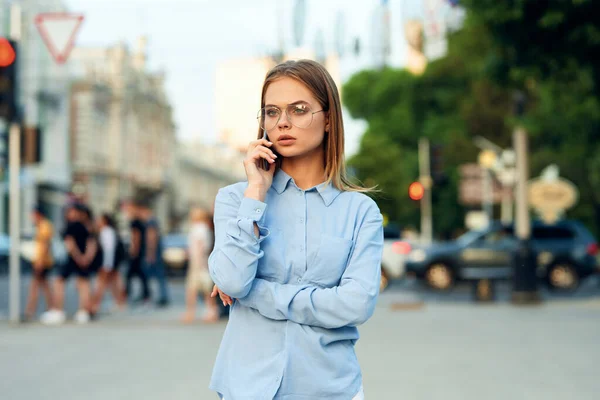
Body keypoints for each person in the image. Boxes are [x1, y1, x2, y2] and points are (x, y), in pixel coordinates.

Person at [208, 59, 384, 400]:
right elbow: (230, 280)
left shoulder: (361, 212)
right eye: (271, 112)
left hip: (331, 389)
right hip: (247, 386)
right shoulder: (235, 199)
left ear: (329, 119)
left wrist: (257, 293)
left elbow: (355, 305)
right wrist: (256, 192)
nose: (283, 122)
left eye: (299, 110)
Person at [41, 203, 98, 325]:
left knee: (59, 282)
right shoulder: (88, 226)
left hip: (72, 260)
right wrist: (87, 258)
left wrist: (78, 257)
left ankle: (58, 311)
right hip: (84, 260)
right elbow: (92, 243)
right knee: (84, 284)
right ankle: (84, 312)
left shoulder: (71, 226)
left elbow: (70, 244)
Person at [181, 207, 216, 324]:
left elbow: (199, 246)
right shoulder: (205, 228)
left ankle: (190, 312)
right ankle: (211, 311)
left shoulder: (198, 228)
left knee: (192, 289)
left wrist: (198, 262)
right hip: (202, 261)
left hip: (197, 262)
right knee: (206, 289)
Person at [91, 213, 127, 313]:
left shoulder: (106, 231)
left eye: (99, 220)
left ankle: (95, 305)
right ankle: (120, 302)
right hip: (111, 262)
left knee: (101, 284)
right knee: (114, 283)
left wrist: (107, 265)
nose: (97, 222)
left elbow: (109, 250)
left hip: (108, 262)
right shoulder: (107, 231)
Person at [24, 207, 55, 321]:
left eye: (33, 215)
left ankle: (30, 311)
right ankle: (51, 308)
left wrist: (40, 262)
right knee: (44, 286)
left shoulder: (44, 226)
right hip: (42, 261)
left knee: (35, 286)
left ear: (38, 214)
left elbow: (46, 244)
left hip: (42, 262)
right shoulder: (42, 225)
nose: (32, 218)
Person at [139, 199, 170, 307]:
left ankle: (157, 297)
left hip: (154, 254)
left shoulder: (150, 222)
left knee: (153, 276)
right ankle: (162, 296)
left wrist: (149, 254)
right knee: (160, 276)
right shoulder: (155, 221)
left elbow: (151, 239)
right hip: (157, 253)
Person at [125, 200, 150, 304]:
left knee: (130, 275)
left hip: (137, 252)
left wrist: (133, 250)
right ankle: (145, 294)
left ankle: (127, 295)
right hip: (141, 251)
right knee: (140, 274)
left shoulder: (135, 222)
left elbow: (136, 237)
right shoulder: (141, 221)